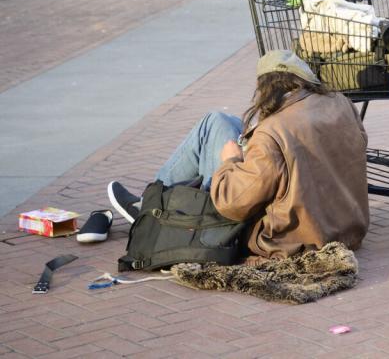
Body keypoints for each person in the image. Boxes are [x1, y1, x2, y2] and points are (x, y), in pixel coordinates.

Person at [107, 50, 370, 260]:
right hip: (347, 227)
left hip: (294, 239)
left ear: (266, 88)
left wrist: (231, 160)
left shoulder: (273, 132)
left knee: (212, 126)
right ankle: (150, 201)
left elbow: (233, 203)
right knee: (224, 122)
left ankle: (150, 208)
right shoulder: (341, 103)